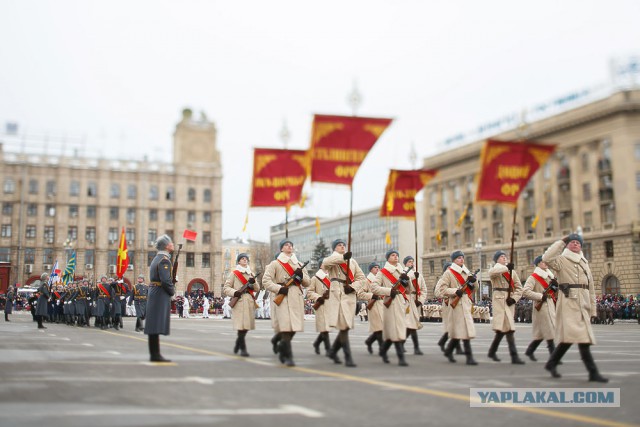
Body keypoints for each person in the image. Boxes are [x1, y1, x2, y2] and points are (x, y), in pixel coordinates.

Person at [543, 234, 608, 382]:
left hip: (583, 303)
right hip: (569, 303)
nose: (575, 244)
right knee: (582, 338)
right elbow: (547, 258)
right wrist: (561, 241)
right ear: (567, 245)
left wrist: (593, 309)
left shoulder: (584, 262)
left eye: (578, 242)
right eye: (572, 242)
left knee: (570, 338)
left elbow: (590, 288)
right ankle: (593, 372)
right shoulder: (562, 260)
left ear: (581, 246)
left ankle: (551, 363)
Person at [262, 239, 310, 367]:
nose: (289, 246)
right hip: (282, 296)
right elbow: (266, 281)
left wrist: (301, 276)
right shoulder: (275, 264)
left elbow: (308, 282)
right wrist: (279, 288)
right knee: (286, 326)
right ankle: (288, 355)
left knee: (294, 327)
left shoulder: (299, 264)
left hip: (296, 297)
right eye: (286, 245)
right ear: (281, 249)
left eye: (291, 245)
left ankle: (281, 343)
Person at [321, 239, 365, 367]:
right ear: (335, 248)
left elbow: (361, 278)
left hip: (349, 293)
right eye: (339, 245)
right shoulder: (332, 259)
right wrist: (342, 258)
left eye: (343, 245)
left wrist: (353, 287)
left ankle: (333, 351)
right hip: (337, 294)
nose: (342, 246)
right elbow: (325, 264)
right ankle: (348, 357)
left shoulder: (353, 261)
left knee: (345, 326)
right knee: (344, 326)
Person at [435, 251, 478, 365]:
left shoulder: (466, 272)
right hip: (456, 305)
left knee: (462, 331)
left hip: (466, 303)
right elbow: (442, 290)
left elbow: (474, 289)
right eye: (459, 258)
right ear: (454, 260)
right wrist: (455, 291)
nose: (461, 260)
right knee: (462, 331)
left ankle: (449, 350)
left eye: (462, 258)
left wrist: (474, 281)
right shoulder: (448, 273)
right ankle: (469, 357)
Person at [371, 249, 410, 366]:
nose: (395, 257)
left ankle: (383, 350)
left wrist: (407, 281)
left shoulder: (403, 271)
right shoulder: (383, 272)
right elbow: (374, 287)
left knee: (393, 331)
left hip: (401, 302)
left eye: (397, 255)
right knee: (397, 330)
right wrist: (388, 291)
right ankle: (401, 358)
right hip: (390, 302)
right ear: (388, 258)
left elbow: (408, 290)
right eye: (393, 255)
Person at [487, 250, 525, 364]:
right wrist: (506, 268)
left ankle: (492, 351)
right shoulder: (497, 269)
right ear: (497, 259)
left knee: (503, 329)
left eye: (505, 256)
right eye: (501, 256)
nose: (504, 258)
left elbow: (519, 287)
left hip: (509, 301)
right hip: (499, 300)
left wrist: (514, 298)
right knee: (508, 329)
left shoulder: (512, 272)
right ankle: (514, 356)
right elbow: (492, 273)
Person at [144, 234, 175, 362]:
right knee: (156, 324)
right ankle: (155, 354)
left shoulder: (157, 258)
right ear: (167, 246)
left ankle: (154, 353)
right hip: (160, 293)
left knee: (153, 324)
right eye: (171, 243)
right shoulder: (164, 260)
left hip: (154, 291)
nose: (173, 244)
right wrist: (172, 290)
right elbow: (165, 280)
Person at [223, 253, 260, 357]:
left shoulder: (251, 274)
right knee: (241, 325)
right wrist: (235, 292)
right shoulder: (234, 273)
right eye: (242, 259)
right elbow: (226, 288)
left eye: (246, 259)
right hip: (239, 301)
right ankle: (243, 348)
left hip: (249, 301)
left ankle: (238, 342)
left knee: (247, 326)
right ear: (238, 261)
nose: (245, 260)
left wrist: (253, 283)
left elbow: (257, 288)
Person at [522, 256, 558, 361]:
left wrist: (556, 287)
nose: (545, 263)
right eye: (542, 262)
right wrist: (540, 296)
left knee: (541, 333)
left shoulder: (550, 276)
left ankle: (530, 351)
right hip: (541, 307)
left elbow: (554, 293)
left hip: (550, 305)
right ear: (538, 264)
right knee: (549, 330)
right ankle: (554, 356)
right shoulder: (533, 277)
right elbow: (525, 291)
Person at [306, 258, 332, 357]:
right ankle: (329, 350)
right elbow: (309, 292)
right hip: (321, 305)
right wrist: (319, 297)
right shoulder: (315, 278)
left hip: (330, 305)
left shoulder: (331, 277)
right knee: (324, 328)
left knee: (326, 328)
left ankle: (317, 343)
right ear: (321, 265)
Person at [402, 256, 427, 355]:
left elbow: (424, 289)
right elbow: (404, 287)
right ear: (405, 264)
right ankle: (416, 347)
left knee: (411, 325)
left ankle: (401, 343)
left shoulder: (419, 275)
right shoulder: (403, 273)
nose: (411, 263)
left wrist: (420, 300)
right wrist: (413, 277)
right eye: (409, 262)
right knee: (412, 324)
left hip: (417, 301)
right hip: (408, 301)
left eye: (412, 261)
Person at [361, 263, 384, 355]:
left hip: (382, 304)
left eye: (378, 267)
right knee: (379, 328)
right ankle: (382, 349)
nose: (377, 269)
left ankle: (369, 341)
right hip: (373, 304)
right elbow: (361, 293)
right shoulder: (367, 281)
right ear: (370, 270)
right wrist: (372, 296)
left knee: (382, 327)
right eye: (375, 268)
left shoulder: (381, 280)